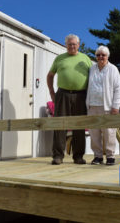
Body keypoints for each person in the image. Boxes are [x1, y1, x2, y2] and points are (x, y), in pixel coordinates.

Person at [47, 34, 92, 165]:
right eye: (69, 44)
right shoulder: (60, 59)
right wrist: (51, 92)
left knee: (79, 125)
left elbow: (93, 78)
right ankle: (58, 156)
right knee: (60, 125)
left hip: (81, 95)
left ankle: (78, 156)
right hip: (62, 94)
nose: (72, 46)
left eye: (74, 44)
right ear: (66, 45)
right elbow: (50, 76)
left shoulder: (86, 59)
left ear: (78, 45)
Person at [86, 45, 120, 165]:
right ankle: (97, 156)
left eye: (103, 55)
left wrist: (116, 105)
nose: (101, 57)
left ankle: (110, 156)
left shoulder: (113, 69)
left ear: (107, 56)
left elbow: (118, 88)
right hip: (92, 105)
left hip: (107, 106)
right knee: (94, 132)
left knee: (109, 132)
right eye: (98, 55)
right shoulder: (92, 69)